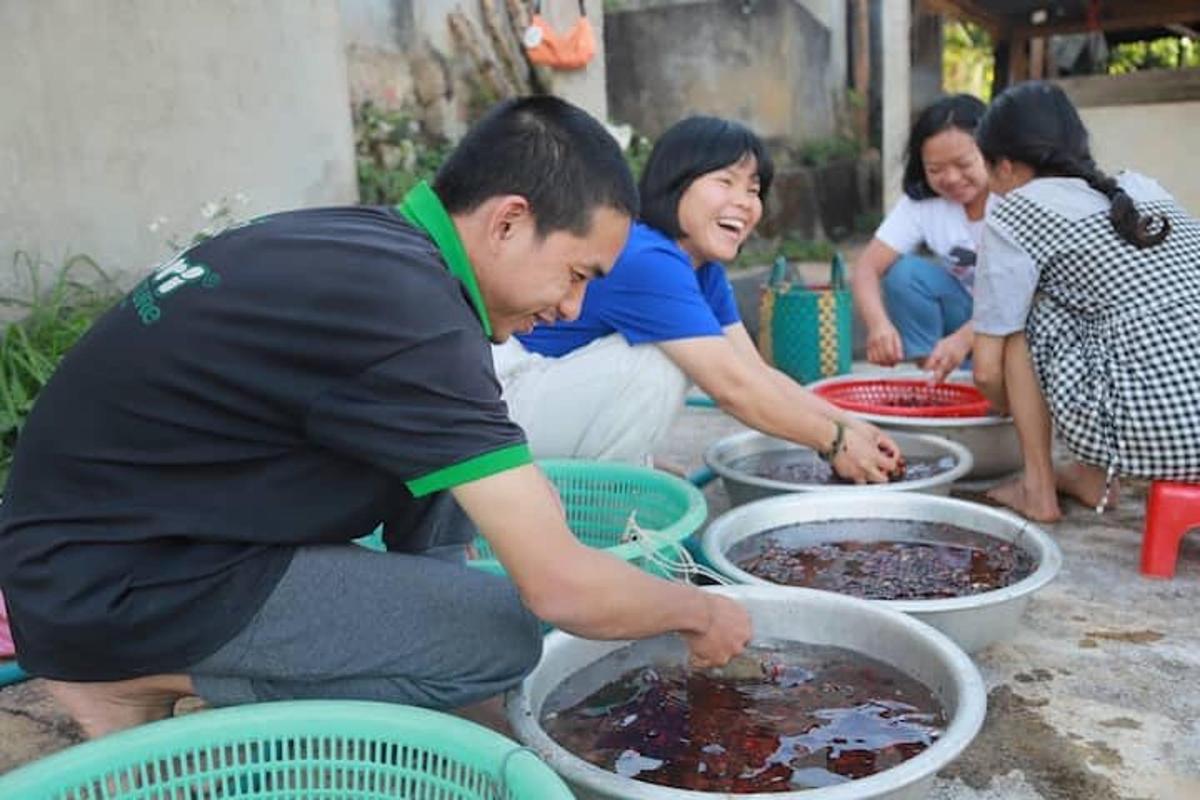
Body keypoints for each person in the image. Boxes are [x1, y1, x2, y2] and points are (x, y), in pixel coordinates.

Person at [0, 96, 752, 739]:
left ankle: (370, 648)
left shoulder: (384, 255)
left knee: (467, 479)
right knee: (501, 636)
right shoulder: (413, 315)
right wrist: (695, 610)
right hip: (111, 585)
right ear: (509, 222)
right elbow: (559, 589)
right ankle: (137, 676)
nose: (572, 307)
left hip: (110, 548)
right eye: (576, 274)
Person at [497, 116, 901, 480]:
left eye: (754, 189)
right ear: (673, 185)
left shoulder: (702, 269)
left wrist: (853, 427)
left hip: (546, 399)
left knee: (685, 361)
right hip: (503, 409)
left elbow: (754, 373)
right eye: (725, 182)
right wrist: (833, 444)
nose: (744, 202)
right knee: (657, 363)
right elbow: (732, 388)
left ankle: (622, 471)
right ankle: (594, 500)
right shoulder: (647, 256)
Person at [971, 81, 1200, 522]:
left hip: (1160, 435)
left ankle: (1038, 490)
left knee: (1022, 320)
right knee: (1110, 321)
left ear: (1002, 165)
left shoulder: (1018, 211)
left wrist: (1008, 405)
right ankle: (1090, 477)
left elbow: (985, 368)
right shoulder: (1143, 188)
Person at [851, 94, 994, 382]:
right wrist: (879, 326)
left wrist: (966, 339)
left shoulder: (1016, 198)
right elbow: (866, 269)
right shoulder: (922, 204)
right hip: (966, 312)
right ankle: (936, 375)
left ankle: (985, 371)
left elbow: (1025, 295)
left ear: (991, 153)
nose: (951, 178)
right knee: (905, 275)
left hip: (1017, 322)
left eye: (963, 164)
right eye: (935, 170)